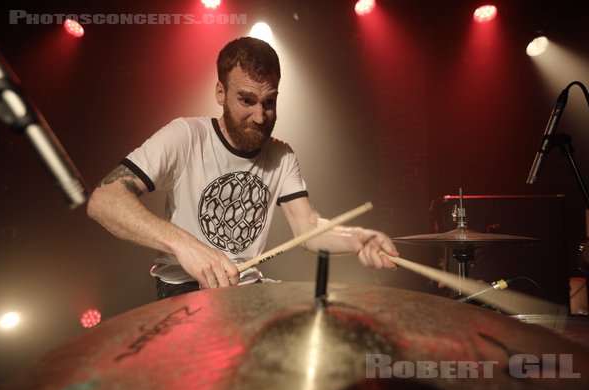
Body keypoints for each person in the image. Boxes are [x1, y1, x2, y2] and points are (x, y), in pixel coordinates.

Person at [87, 36, 398, 299]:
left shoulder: (282, 156)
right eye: (247, 101)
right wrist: (185, 246)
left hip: (246, 288)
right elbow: (105, 201)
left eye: (269, 102)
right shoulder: (186, 136)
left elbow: (309, 230)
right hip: (183, 289)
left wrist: (360, 238)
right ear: (220, 93)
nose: (260, 117)